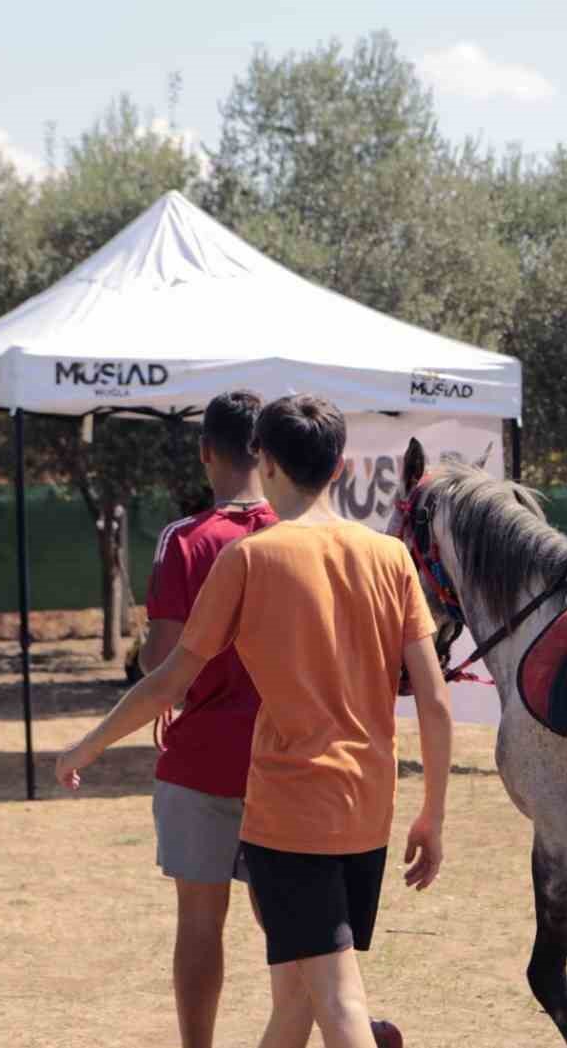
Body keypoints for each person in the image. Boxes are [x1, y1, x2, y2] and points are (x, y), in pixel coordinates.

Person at [57, 394, 452, 1048]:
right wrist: (432, 813)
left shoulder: (247, 559)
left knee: (336, 998)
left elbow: (170, 679)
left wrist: (88, 744)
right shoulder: (391, 557)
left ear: (263, 460)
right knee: (297, 998)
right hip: (367, 808)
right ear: (343, 467)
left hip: (291, 810)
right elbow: (435, 701)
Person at [142, 390, 276, 1048]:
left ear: (206, 452)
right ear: (267, 452)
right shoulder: (297, 535)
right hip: (284, 757)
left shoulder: (185, 540)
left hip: (200, 757)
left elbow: (162, 661)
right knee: (290, 922)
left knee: (200, 920)